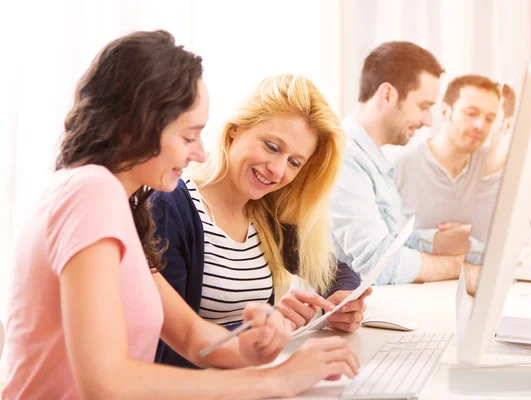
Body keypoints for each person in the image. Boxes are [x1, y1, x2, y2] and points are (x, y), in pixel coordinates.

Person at [2, 30, 358, 400]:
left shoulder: (120, 205)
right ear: (137, 127)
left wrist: (255, 349)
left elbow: (191, 335)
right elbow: (105, 383)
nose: (201, 154)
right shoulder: (91, 193)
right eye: (189, 137)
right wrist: (274, 380)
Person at [151, 73, 370, 368]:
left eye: (294, 162)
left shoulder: (265, 213)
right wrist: (265, 329)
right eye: (272, 146)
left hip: (252, 381)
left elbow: (330, 270)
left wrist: (343, 299)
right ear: (235, 130)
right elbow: (163, 349)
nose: (278, 171)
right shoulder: (172, 207)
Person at [330, 41, 481, 289]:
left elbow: (391, 241)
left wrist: (443, 241)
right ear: (388, 94)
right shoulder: (344, 159)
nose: (427, 120)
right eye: (423, 106)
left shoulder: (372, 160)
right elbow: (379, 264)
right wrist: (460, 267)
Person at [392, 75, 501, 257]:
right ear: (444, 112)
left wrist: (470, 235)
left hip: (469, 280)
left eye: (490, 119)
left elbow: (506, 241)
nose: (480, 125)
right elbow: (384, 243)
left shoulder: (492, 168)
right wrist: (444, 241)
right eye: (471, 113)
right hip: (418, 281)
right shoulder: (400, 165)